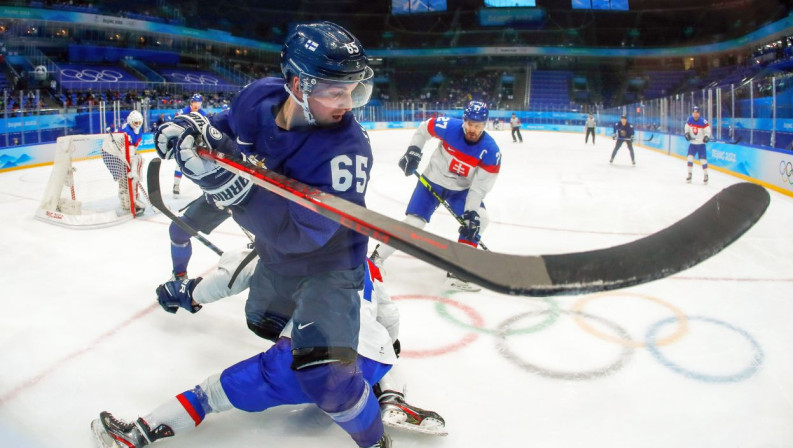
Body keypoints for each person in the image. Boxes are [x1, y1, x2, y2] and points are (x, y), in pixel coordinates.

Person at [151, 21, 389, 448]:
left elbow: (304, 237)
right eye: (336, 90)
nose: (348, 103)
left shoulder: (347, 149)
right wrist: (194, 133)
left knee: (325, 376)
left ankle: (375, 441)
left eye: (352, 89)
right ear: (298, 84)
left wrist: (230, 188)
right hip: (273, 251)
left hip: (330, 264)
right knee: (258, 314)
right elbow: (223, 131)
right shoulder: (258, 97)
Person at [91, 251, 446, 448]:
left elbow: (231, 278)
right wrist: (391, 349)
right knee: (382, 356)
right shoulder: (365, 264)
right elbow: (390, 316)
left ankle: (137, 434)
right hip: (369, 363)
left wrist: (188, 295)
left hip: (303, 360)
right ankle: (386, 400)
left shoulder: (289, 240)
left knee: (209, 394)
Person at [369, 100, 501, 292]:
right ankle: (376, 258)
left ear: (485, 124)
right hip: (433, 181)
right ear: (464, 121)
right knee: (414, 223)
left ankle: (458, 270)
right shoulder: (449, 126)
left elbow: (479, 188)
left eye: (478, 125)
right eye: (470, 124)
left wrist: (470, 214)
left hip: (461, 190)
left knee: (480, 218)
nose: (473, 129)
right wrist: (413, 150)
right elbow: (424, 129)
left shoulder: (491, 151)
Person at [104, 110, 145, 215]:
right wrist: (133, 167)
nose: (138, 125)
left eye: (140, 123)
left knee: (130, 174)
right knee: (123, 178)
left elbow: (134, 148)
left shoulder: (137, 130)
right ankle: (125, 202)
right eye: (136, 123)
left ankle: (133, 198)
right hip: (110, 153)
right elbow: (126, 150)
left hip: (121, 152)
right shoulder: (125, 131)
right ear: (131, 121)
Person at [172, 93, 207, 198]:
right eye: (195, 102)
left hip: (196, 142)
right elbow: (174, 124)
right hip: (183, 142)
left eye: (199, 103)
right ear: (191, 103)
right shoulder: (183, 112)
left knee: (201, 165)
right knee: (180, 165)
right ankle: (176, 185)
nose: (197, 105)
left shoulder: (202, 113)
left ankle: (206, 188)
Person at [684, 106, 711, 184]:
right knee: (689, 158)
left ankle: (706, 175)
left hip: (701, 144)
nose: (696, 114)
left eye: (697, 112)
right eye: (695, 112)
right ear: (693, 113)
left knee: (703, 160)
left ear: (699, 113)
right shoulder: (689, 120)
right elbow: (686, 128)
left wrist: (706, 137)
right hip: (692, 144)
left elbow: (708, 131)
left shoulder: (703, 122)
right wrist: (687, 134)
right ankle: (689, 174)